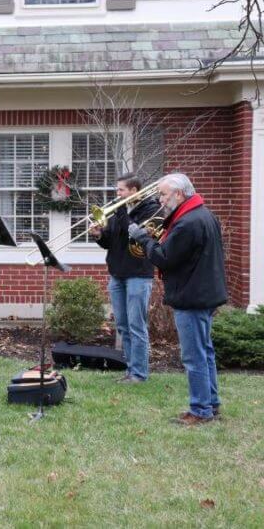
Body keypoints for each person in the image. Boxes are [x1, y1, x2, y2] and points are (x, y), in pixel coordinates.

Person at [129, 172, 227, 425]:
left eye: (163, 194)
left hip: (192, 296)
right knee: (205, 352)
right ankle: (211, 403)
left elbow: (163, 258)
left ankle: (200, 410)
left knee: (194, 356)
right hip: (204, 292)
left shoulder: (187, 223)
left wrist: (142, 238)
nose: (160, 200)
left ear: (179, 194)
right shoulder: (204, 215)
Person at [89, 175, 159, 383]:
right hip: (117, 273)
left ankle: (139, 373)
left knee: (137, 326)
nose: (117, 194)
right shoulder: (119, 210)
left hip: (138, 274)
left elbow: (137, 235)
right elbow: (111, 242)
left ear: (134, 190)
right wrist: (99, 235)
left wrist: (124, 212)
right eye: (117, 190)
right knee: (122, 325)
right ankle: (130, 370)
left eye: (121, 190)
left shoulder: (151, 209)